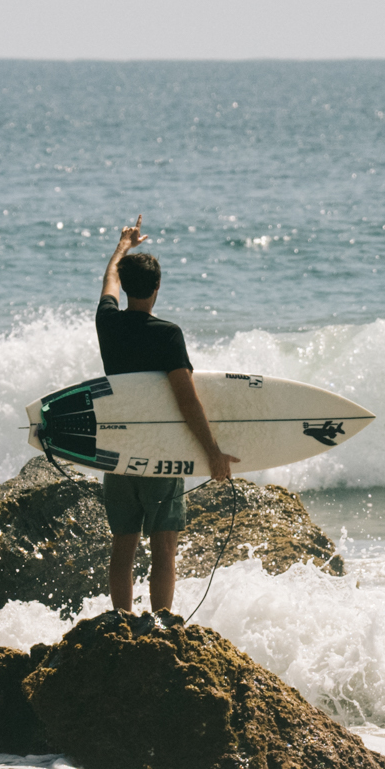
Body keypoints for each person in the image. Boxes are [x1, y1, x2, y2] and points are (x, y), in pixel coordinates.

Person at [97, 216, 236, 616]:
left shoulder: (107, 323)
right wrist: (212, 451)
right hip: (161, 452)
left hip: (120, 450)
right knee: (164, 544)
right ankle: (160, 623)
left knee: (123, 542)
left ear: (126, 287)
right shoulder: (167, 334)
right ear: (157, 289)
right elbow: (187, 401)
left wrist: (122, 247)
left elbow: (109, 282)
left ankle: (121, 620)